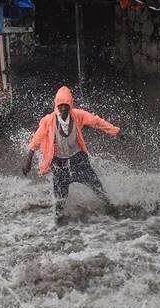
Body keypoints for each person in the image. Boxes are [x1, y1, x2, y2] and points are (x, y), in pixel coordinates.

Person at [22, 86, 125, 225]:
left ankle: (113, 211)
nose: (64, 108)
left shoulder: (78, 115)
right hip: (59, 164)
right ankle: (58, 227)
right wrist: (28, 161)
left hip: (78, 160)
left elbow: (96, 121)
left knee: (97, 186)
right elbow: (36, 140)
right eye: (61, 105)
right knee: (60, 200)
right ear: (56, 105)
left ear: (71, 105)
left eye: (67, 105)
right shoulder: (49, 121)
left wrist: (115, 132)